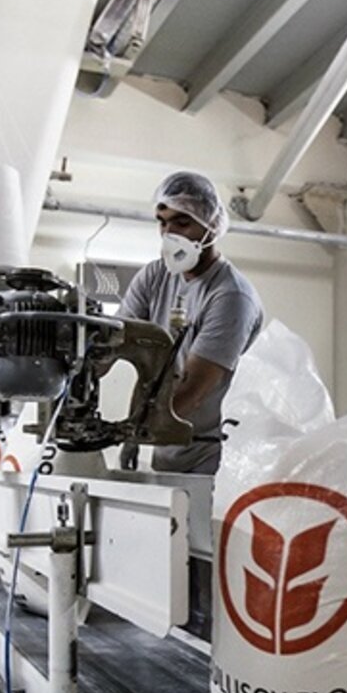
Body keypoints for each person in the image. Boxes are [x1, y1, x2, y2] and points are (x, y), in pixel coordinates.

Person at [118, 170, 263, 475]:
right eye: (162, 222)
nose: (169, 234)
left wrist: (129, 430)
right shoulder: (155, 277)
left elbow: (192, 390)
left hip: (209, 457)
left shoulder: (231, 296)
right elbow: (113, 342)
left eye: (182, 223)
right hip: (165, 447)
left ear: (211, 225)